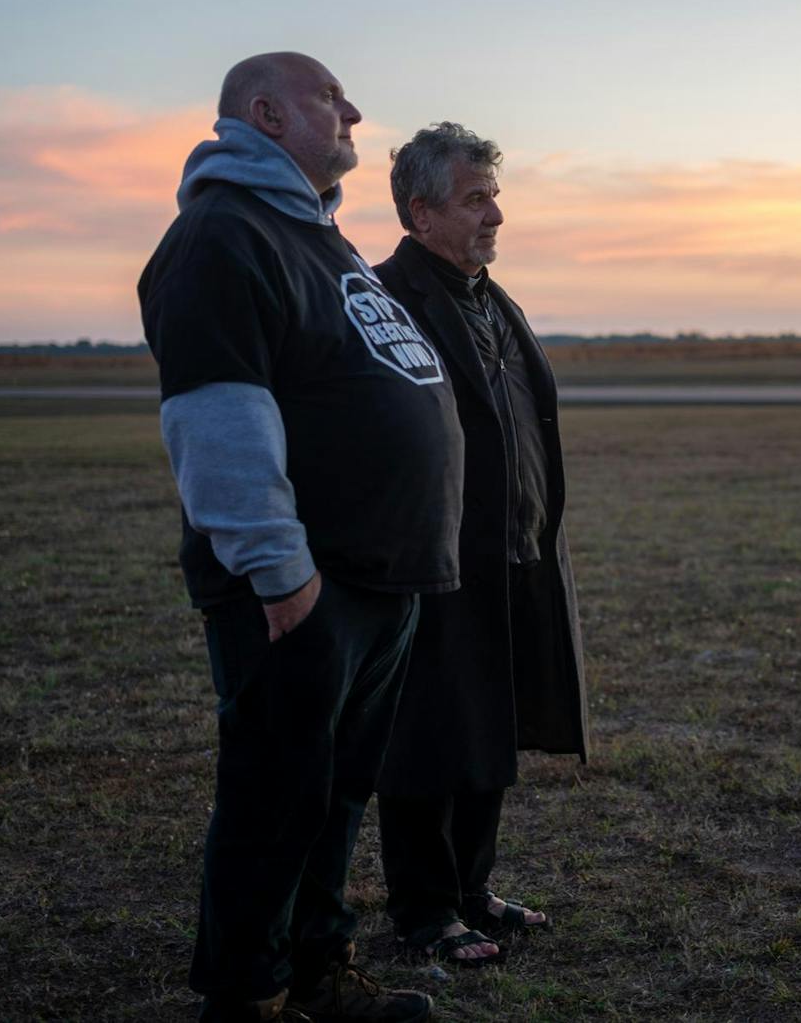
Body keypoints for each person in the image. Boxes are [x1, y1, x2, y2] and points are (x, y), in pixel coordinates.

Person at [138, 54, 462, 1023]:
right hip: (301, 591)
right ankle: (247, 998)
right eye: (332, 97)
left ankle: (318, 972)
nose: (354, 110)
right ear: (268, 114)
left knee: (336, 796)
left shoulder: (316, 237)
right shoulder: (221, 237)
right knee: (274, 801)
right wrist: (283, 577)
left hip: (375, 582)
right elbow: (218, 421)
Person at [372, 123, 588, 966]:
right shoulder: (386, 296)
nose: (494, 214)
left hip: (518, 550)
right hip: (437, 560)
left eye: (494, 196)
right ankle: (425, 910)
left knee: (489, 728)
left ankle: (471, 890)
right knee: (428, 736)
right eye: (475, 199)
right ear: (421, 211)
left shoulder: (493, 296)